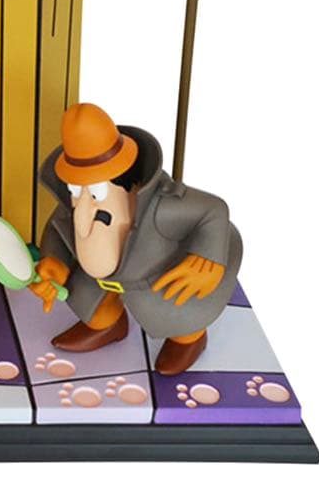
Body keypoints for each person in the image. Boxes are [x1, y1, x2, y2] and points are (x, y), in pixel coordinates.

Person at [31, 103, 242, 375]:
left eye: (95, 193)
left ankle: (189, 340)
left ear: (130, 185)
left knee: (180, 310)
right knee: (86, 297)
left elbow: (214, 210)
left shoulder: (164, 208)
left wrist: (207, 256)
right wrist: (55, 262)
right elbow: (57, 229)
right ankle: (106, 326)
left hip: (154, 276)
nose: (81, 208)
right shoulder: (74, 206)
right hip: (97, 279)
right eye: (75, 189)